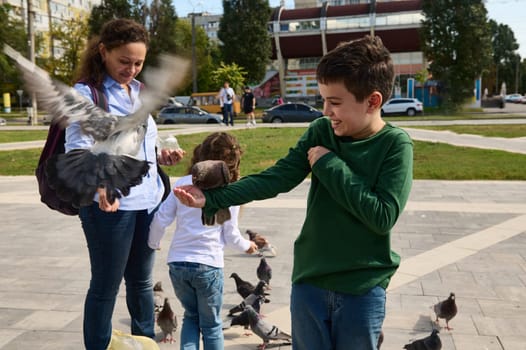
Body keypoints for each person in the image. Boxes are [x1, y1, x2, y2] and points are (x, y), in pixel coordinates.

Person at [173, 35, 413, 350]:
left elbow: (381, 217)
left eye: (336, 102)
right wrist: (214, 198)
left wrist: (331, 166)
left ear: (373, 101)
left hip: (361, 289)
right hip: (310, 282)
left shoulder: (395, 145)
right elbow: (278, 177)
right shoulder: (321, 131)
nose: (326, 111)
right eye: (323, 99)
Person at [67, 18, 185, 350]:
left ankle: (145, 344)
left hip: (147, 202)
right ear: (103, 52)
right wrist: (100, 186)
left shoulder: (137, 91)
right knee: (106, 286)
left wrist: (163, 154)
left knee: (142, 284)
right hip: (109, 206)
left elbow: (143, 144)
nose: (131, 69)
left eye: (138, 63)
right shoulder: (87, 93)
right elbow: (75, 148)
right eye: (124, 61)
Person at [148, 132, 258, 350]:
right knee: (211, 326)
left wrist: (154, 242)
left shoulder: (183, 183)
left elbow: (161, 218)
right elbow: (231, 235)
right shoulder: (230, 192)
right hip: (208, 266)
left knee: (191, 317)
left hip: (178, 264)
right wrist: (248, 246)